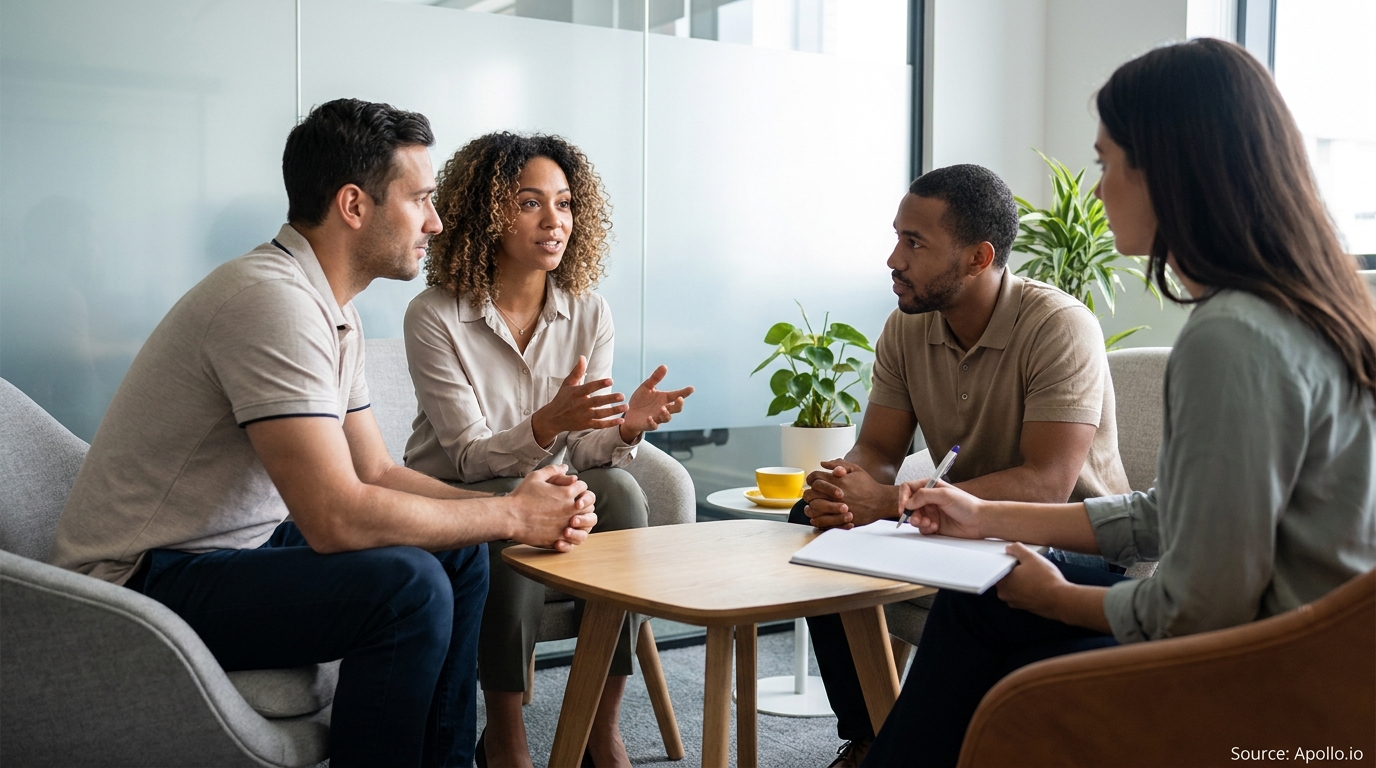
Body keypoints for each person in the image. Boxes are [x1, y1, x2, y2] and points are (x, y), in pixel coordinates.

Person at [863, 38, 1376, 768]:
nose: (1096, 188)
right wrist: (986, 515)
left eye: (1106, 162)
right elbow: (1173, 513)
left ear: (1171, 170)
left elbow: (1198, 610)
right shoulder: (1305, 308)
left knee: (997, 639)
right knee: (979, 609)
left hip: (1273, 686)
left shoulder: (1231, 338)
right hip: (1329, 664)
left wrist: (1056, 598)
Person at [48, 99, 600, 768]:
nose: (436, 220)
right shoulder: (270, 302)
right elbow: (335, 519)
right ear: (353, 205)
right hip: (139, 582)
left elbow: (377, 474)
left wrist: (517, 511)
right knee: (407, 586)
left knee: (459, 556)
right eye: (420, 198)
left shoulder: (328, 311)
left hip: (225, 551)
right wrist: (511, 512)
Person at [788, 163, 1131, 767]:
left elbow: (1047, 485)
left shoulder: (1059, 325)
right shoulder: (906, 327)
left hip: (1069, 540)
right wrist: (846, 482)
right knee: (811, 516)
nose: (894, 258)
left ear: (978, 258)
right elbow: (878, 449)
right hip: (951, 522)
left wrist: (895, 501)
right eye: (897, 237)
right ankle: (868, 731)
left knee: (982, 590)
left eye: (914, 243)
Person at [403, 132, 693, 768]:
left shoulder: (590, 312)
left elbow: (586, 447)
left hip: (549, 484)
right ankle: (505, 735)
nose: (554, 220)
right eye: (531, 202)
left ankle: (597, 724)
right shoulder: (435, 314)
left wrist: (627, 429)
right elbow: (464, 456)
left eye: (564, 203)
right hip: (454, 493)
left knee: (619, 489)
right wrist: (545, 426)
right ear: (488, 213)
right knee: (515, 506)